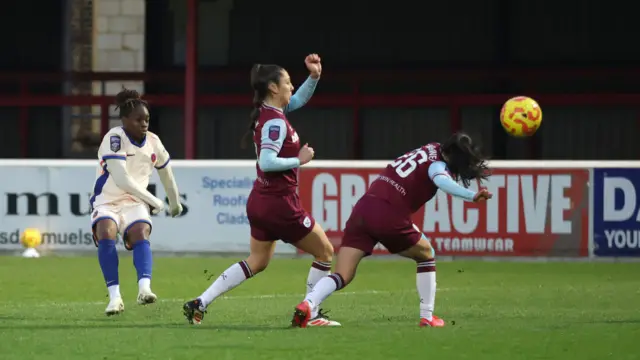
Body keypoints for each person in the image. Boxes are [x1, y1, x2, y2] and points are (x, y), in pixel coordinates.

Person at [183, 54, 340, 327]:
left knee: (257, 261)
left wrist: (314, 77)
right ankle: (310, 315)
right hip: (280, 203)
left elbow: (299, 100)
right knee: (325, 252)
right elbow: (267, 163)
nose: (292, 87)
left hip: (261, 201)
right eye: (288, 82)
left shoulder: (272, 114)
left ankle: (201, 302)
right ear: (273, 88)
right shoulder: (275, 122)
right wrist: (299, 160)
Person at [291, 132, 493, 328]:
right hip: (389, 213)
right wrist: (472, 196)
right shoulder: (437, 165)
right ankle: (427, 317)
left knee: (342, 274)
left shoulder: (429, 148)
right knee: (426, 254)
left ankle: (308, 303)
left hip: (363, 208)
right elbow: (441, 180)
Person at [90, 88, 183, 316]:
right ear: (125, 120)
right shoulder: (114, 138)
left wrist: (174, 202)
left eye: (147, 119)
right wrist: (153, 200)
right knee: (106, 231)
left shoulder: (153, 141)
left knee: (141, 232)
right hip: (108, 200)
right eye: (138, 119)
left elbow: (166, 173)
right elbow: (122, 179)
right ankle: (114, 297)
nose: (144, 124)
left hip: (134, 201)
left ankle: (144, 289)